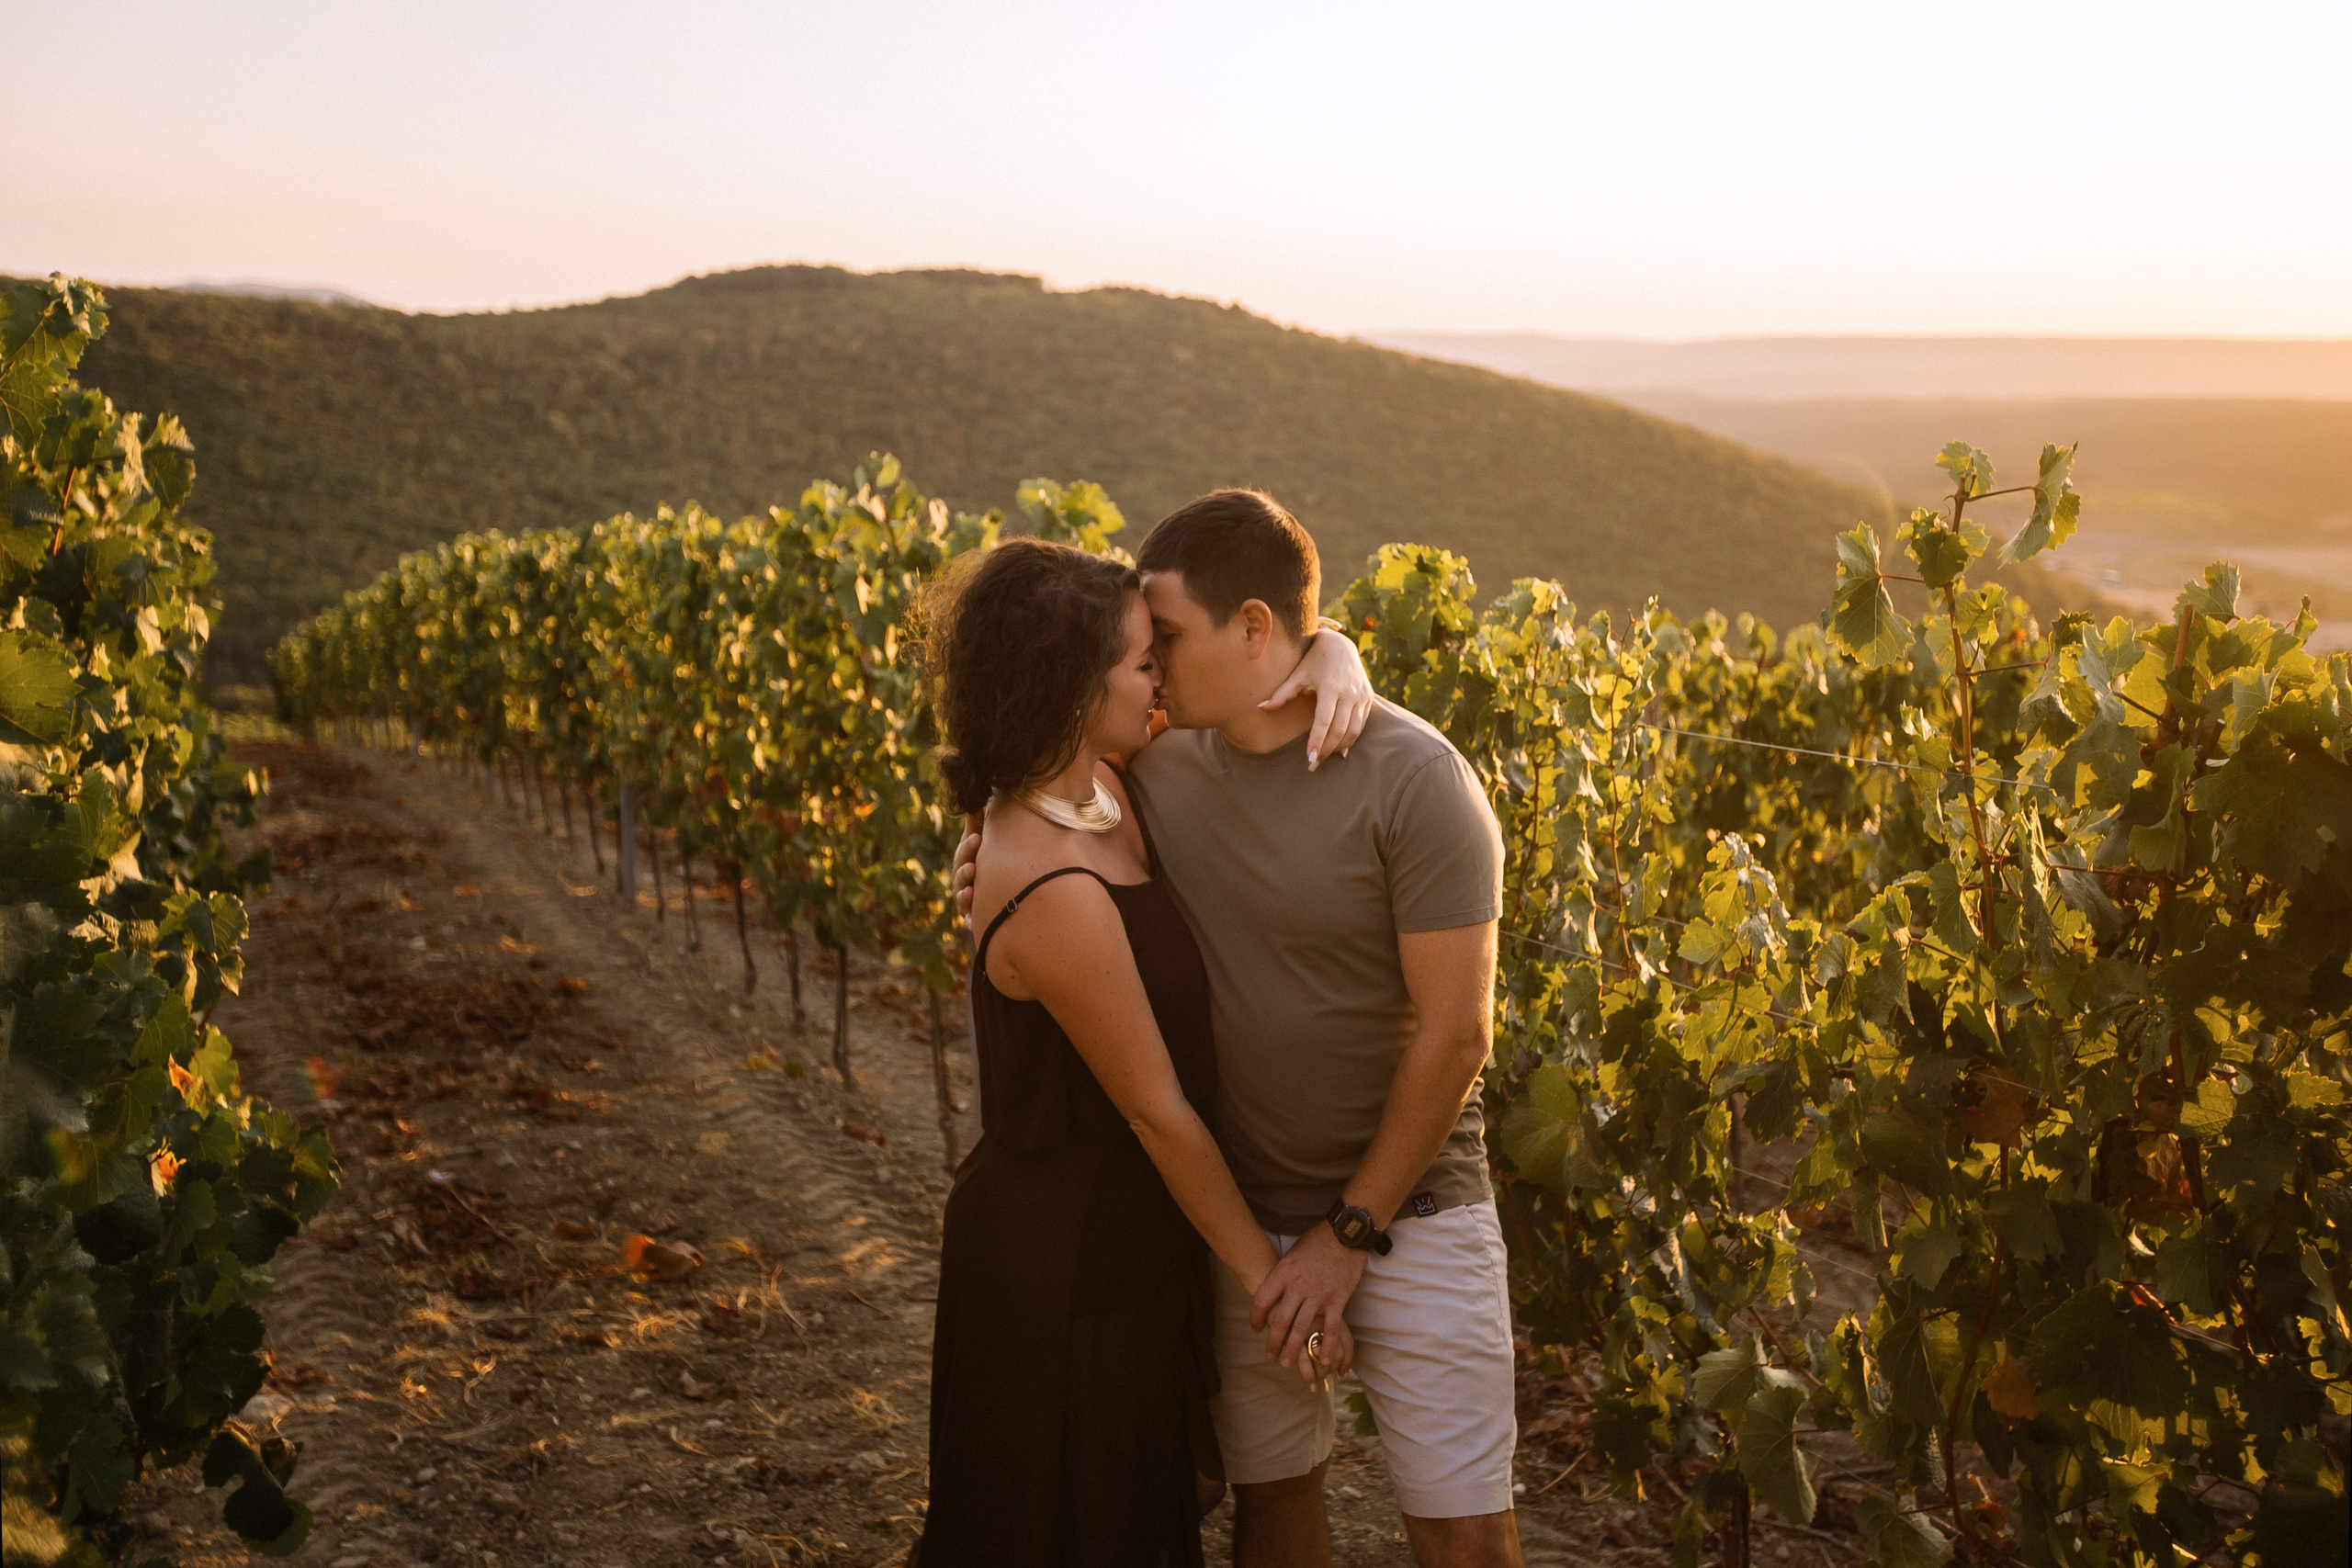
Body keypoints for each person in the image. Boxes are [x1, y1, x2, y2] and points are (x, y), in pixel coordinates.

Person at [956, 491, 1521, 1568]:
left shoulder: (1420, 781)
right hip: (1237, 1225)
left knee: (1466, 1537)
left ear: (1256, 629)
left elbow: (1456, 1039)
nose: (1150, 668)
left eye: (1164, 638)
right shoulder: (1153, 765)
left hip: (1415, 1213)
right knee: (1272, 1506)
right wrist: (983, 865)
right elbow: (1038, 809)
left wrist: (1343, 1242)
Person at [914, 536, 1377, 1567]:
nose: (1158, 676)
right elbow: (1159, 1113)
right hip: (1066, 1269)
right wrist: (1279, 1292)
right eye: (1138, 662)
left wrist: (1334, 650)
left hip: (1130, 1246)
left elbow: (1268, 664)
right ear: (1075, 687)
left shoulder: (1108, 780)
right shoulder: (1056, 886)